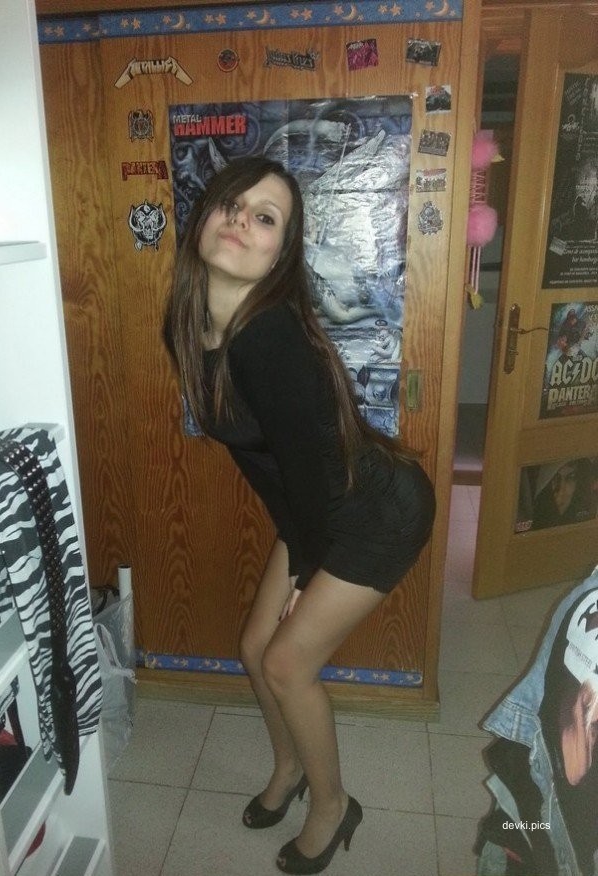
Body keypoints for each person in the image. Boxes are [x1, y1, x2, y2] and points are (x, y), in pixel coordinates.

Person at [163, 156, 435, 874]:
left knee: (286, 662)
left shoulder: (269, 338)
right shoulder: (191, 327)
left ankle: (332, 805)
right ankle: (288, 769)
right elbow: (275, 463)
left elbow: (314, 474)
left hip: (374, 511)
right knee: (255, 646)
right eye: (231, 203)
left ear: (280, 254)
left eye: (265, 218)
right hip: (315, 503)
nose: (240, 221)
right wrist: (300, 550)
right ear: (204, 217)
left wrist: (307, 570)